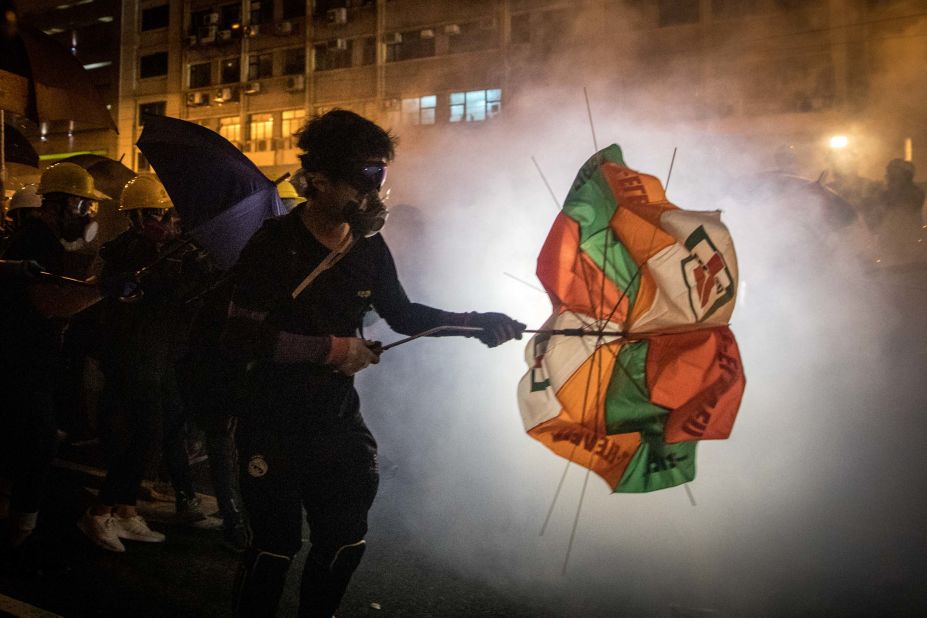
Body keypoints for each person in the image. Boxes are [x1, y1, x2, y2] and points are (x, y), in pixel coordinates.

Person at [225, 110, 525, 617]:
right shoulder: (274, 245)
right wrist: (333, 350)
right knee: (274, 547)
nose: (374, 193)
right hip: (270, 418)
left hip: (335, 417)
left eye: (380, 175)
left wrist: (478, 324)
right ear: (319, 180)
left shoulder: (367, 246)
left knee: (344, 541)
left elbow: (404, 315)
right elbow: (242, 337)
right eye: (364, 177)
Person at [78, 176, 210, 552]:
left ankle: (125, 508)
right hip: (136, 356)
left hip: (159, 353)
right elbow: (161, 293)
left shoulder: (163, 251)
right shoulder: (130, 253)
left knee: (165, 421)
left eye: (165, 213)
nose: (163, 221)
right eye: (153, 214)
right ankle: (100, 511)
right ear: (134, 218)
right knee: (145, 436)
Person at [0, 162, 105, 567]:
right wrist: (102, 290)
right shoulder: (35, 240)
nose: (88, 214)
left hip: (31, 359)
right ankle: (20, 533)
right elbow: (48, 303)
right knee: (38, 442)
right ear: (62, 203)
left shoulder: (48, 241)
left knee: (21, 438)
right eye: (84, 205)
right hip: (18, 361)